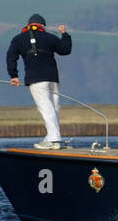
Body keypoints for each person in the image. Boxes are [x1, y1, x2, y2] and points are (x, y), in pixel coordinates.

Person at [6, 14, 72, 149]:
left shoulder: (18, 39)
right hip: (53, 79)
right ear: (42, 25)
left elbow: (11, 57)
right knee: (54, 108)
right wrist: (65, 34)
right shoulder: (50, 37)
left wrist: (14, 75)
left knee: (46, 109)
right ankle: (51, 138)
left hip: (36, 80)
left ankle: (54, 140)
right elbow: (66, 50)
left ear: (29, 24)